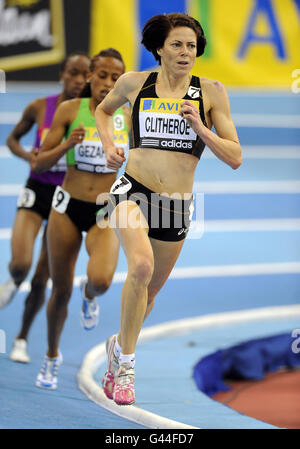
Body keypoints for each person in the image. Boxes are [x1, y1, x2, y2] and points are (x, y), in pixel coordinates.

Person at [95, 13, 242, 406]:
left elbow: (235, 157)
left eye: (191, 46)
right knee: (139, 267)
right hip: (133, 189)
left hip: (176, 206)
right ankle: (126, 364)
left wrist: (202, 128)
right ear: (160, 47)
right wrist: (110, 145)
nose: (185, 52)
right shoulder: (134, 83)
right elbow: (103, 111)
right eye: (177, 44)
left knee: (151, 291)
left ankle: (118, 345)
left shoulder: (210, 92)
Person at [30, 48, 130, 390]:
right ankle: (51, 356)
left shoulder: (129, 117)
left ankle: (89, 295)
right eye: (102, 75)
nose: (107, 83)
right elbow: (39, 163)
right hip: (67, 206)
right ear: (89, 76)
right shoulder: (69, 110)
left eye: (116, 78)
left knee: (101, 280)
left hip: (104, 209)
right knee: (58, 290)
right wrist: (65, 147)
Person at [0, 53, 91, 363]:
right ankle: (12, 281)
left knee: (42, 278)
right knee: (20, 265)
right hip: (36, 190)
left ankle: (21, 339)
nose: (79, 80)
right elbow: (12, 139)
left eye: (85, 75)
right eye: (74, 73)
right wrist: (30, 157)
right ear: (62, 74)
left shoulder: (94, 112)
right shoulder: (40, 107)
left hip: (64, 196)